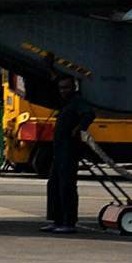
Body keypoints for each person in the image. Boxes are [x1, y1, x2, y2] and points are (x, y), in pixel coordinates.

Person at [43, 82, 89, 233]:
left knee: (66, 186)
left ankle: (69, 222)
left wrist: (78, 128)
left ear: (73, 87)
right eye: (61, 88)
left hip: (69, 150)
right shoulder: (65, 102)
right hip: (59, 150)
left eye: (66, 87)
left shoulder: (77, 101)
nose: (63, 91)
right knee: (53, 184)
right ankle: (56, 220)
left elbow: (89, 114)